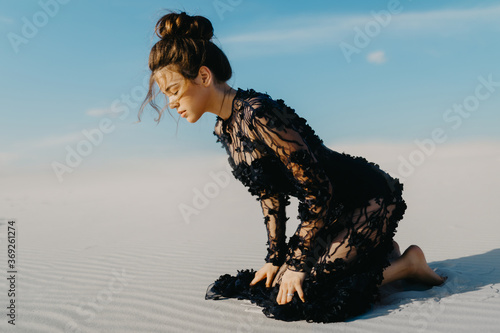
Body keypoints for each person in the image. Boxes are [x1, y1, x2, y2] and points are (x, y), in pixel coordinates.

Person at [139, 11, 446, 323]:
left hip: (367, 198)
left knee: (308, 295)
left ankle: (408, 263)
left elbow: (319, 190)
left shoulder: (258, 113)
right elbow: (269, 194)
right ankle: (376, 250)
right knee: (276, 285)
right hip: (327, 211)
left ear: (203, 76)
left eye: (174, 91)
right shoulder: (225, 129)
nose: (171, 104)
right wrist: (275, 259)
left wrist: (297, 263)